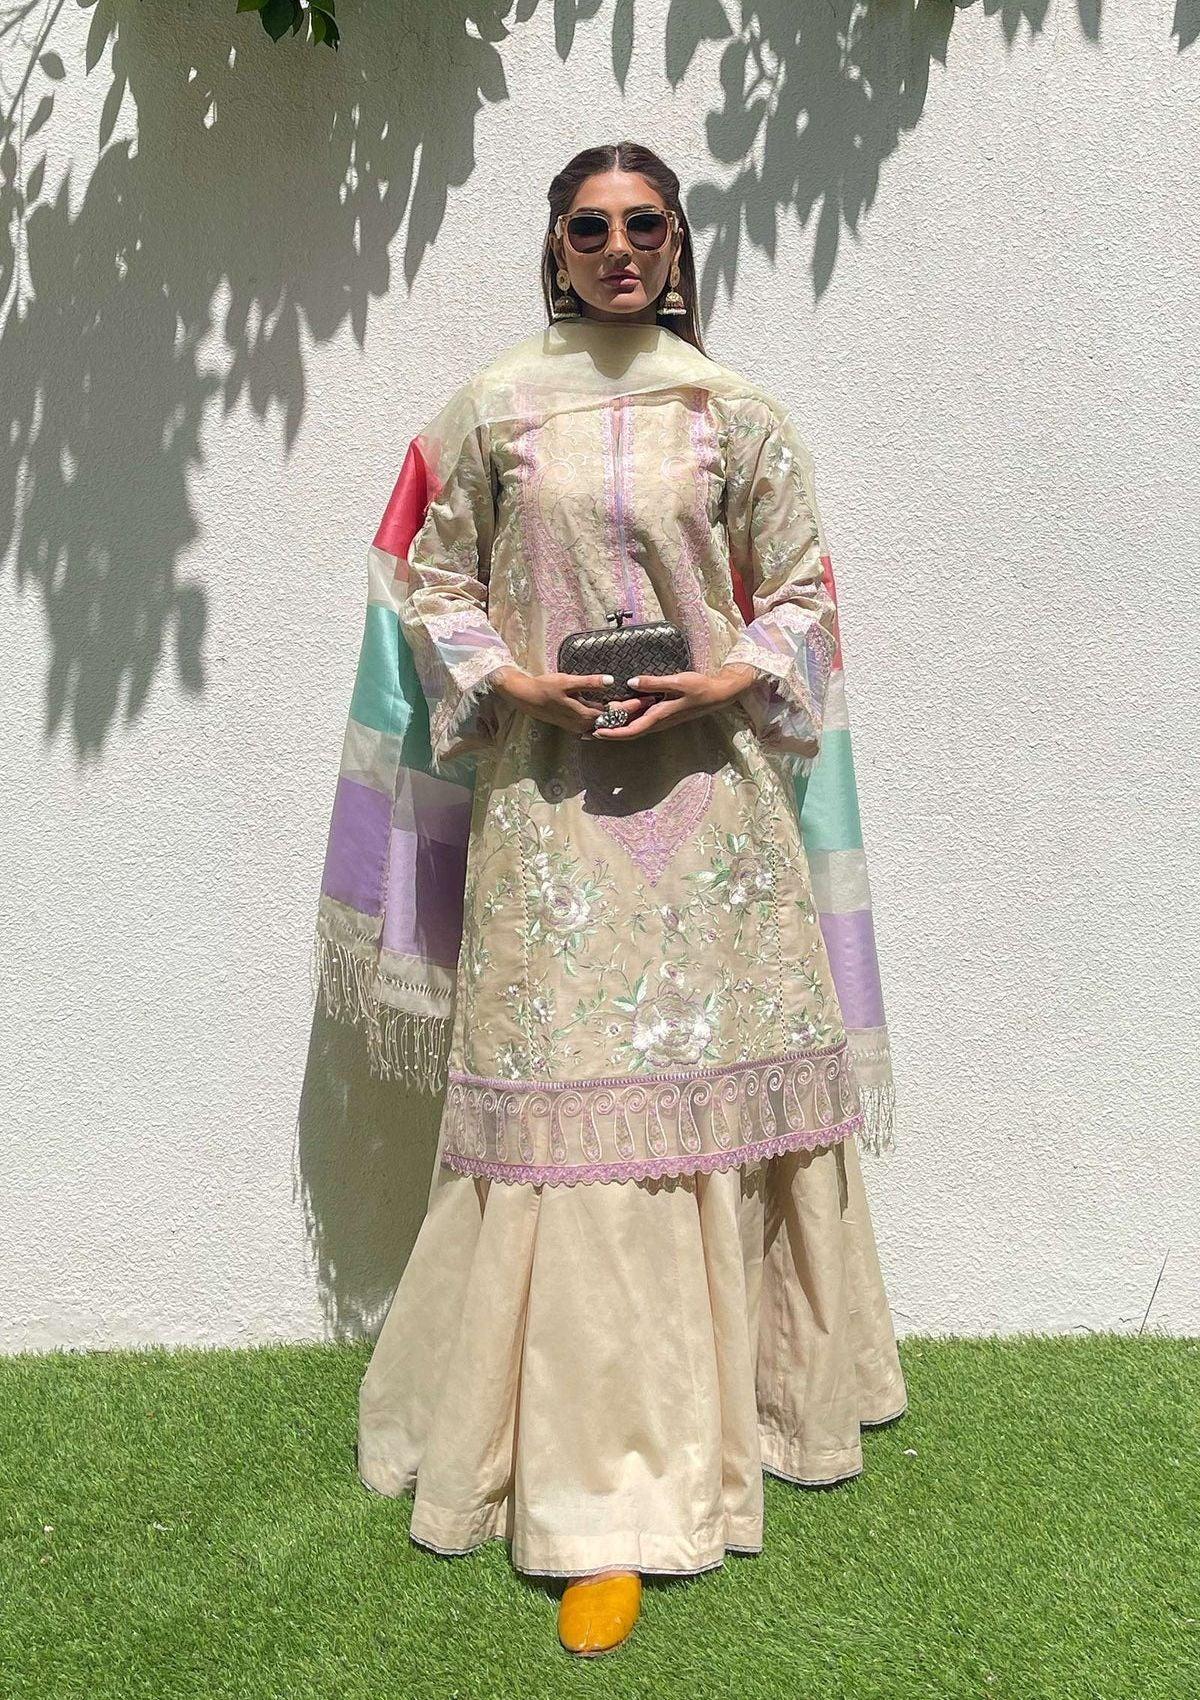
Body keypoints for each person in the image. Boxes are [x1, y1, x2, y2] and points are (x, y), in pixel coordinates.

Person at [313, 141, 907, 1657]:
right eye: (591, 227)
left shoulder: (739, 414)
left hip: (716, 826)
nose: (620, 247)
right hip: (553, 819)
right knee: (568, 1129)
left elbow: (803, 597)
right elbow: (427, 583)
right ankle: (601, 1498)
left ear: (680, 246)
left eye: (646, 225)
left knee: (712, 1106)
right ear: (557, 248)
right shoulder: (493, 409)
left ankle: (766, 1406)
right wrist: (515, 680)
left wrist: (725, 674)